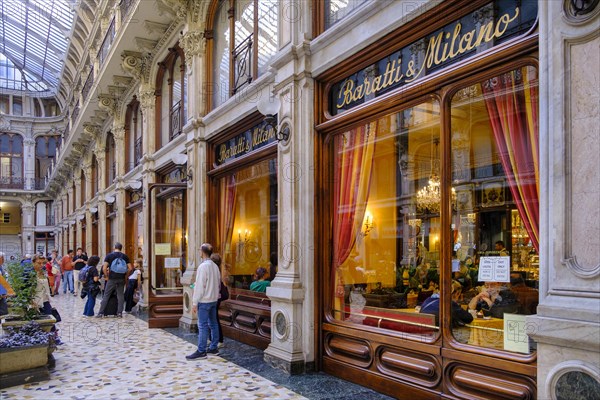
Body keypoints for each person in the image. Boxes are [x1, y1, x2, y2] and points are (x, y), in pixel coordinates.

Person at [186, 243, 221, 360]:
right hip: (213, 300)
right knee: (213, 323)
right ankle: (213, 347)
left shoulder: (202, 267)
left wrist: (195, 302)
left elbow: (200, 286)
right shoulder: (215, 266)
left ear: (202, 252)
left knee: (202, 325)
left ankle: (201, 351)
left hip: (204, 300)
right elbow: (218, 283)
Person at [96, 242, 132, 318]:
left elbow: (104, 268)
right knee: (120, 295)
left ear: (114, 248)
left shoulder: (109, 256)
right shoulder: (125, 256)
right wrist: (126, 275)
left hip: (112, 278)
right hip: (121, 278)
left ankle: (100, 312)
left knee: (106, 295)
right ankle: (119, 313)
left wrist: (107, 276)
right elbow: (130, 268)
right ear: (121, 248)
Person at [209, 253, 228, 349]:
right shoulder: (217, 270)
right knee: (212, 319)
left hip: (214, 298)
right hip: (216, 297)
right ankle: (213, 338)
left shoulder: (214, 271)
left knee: (214, 319)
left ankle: (219, 340)